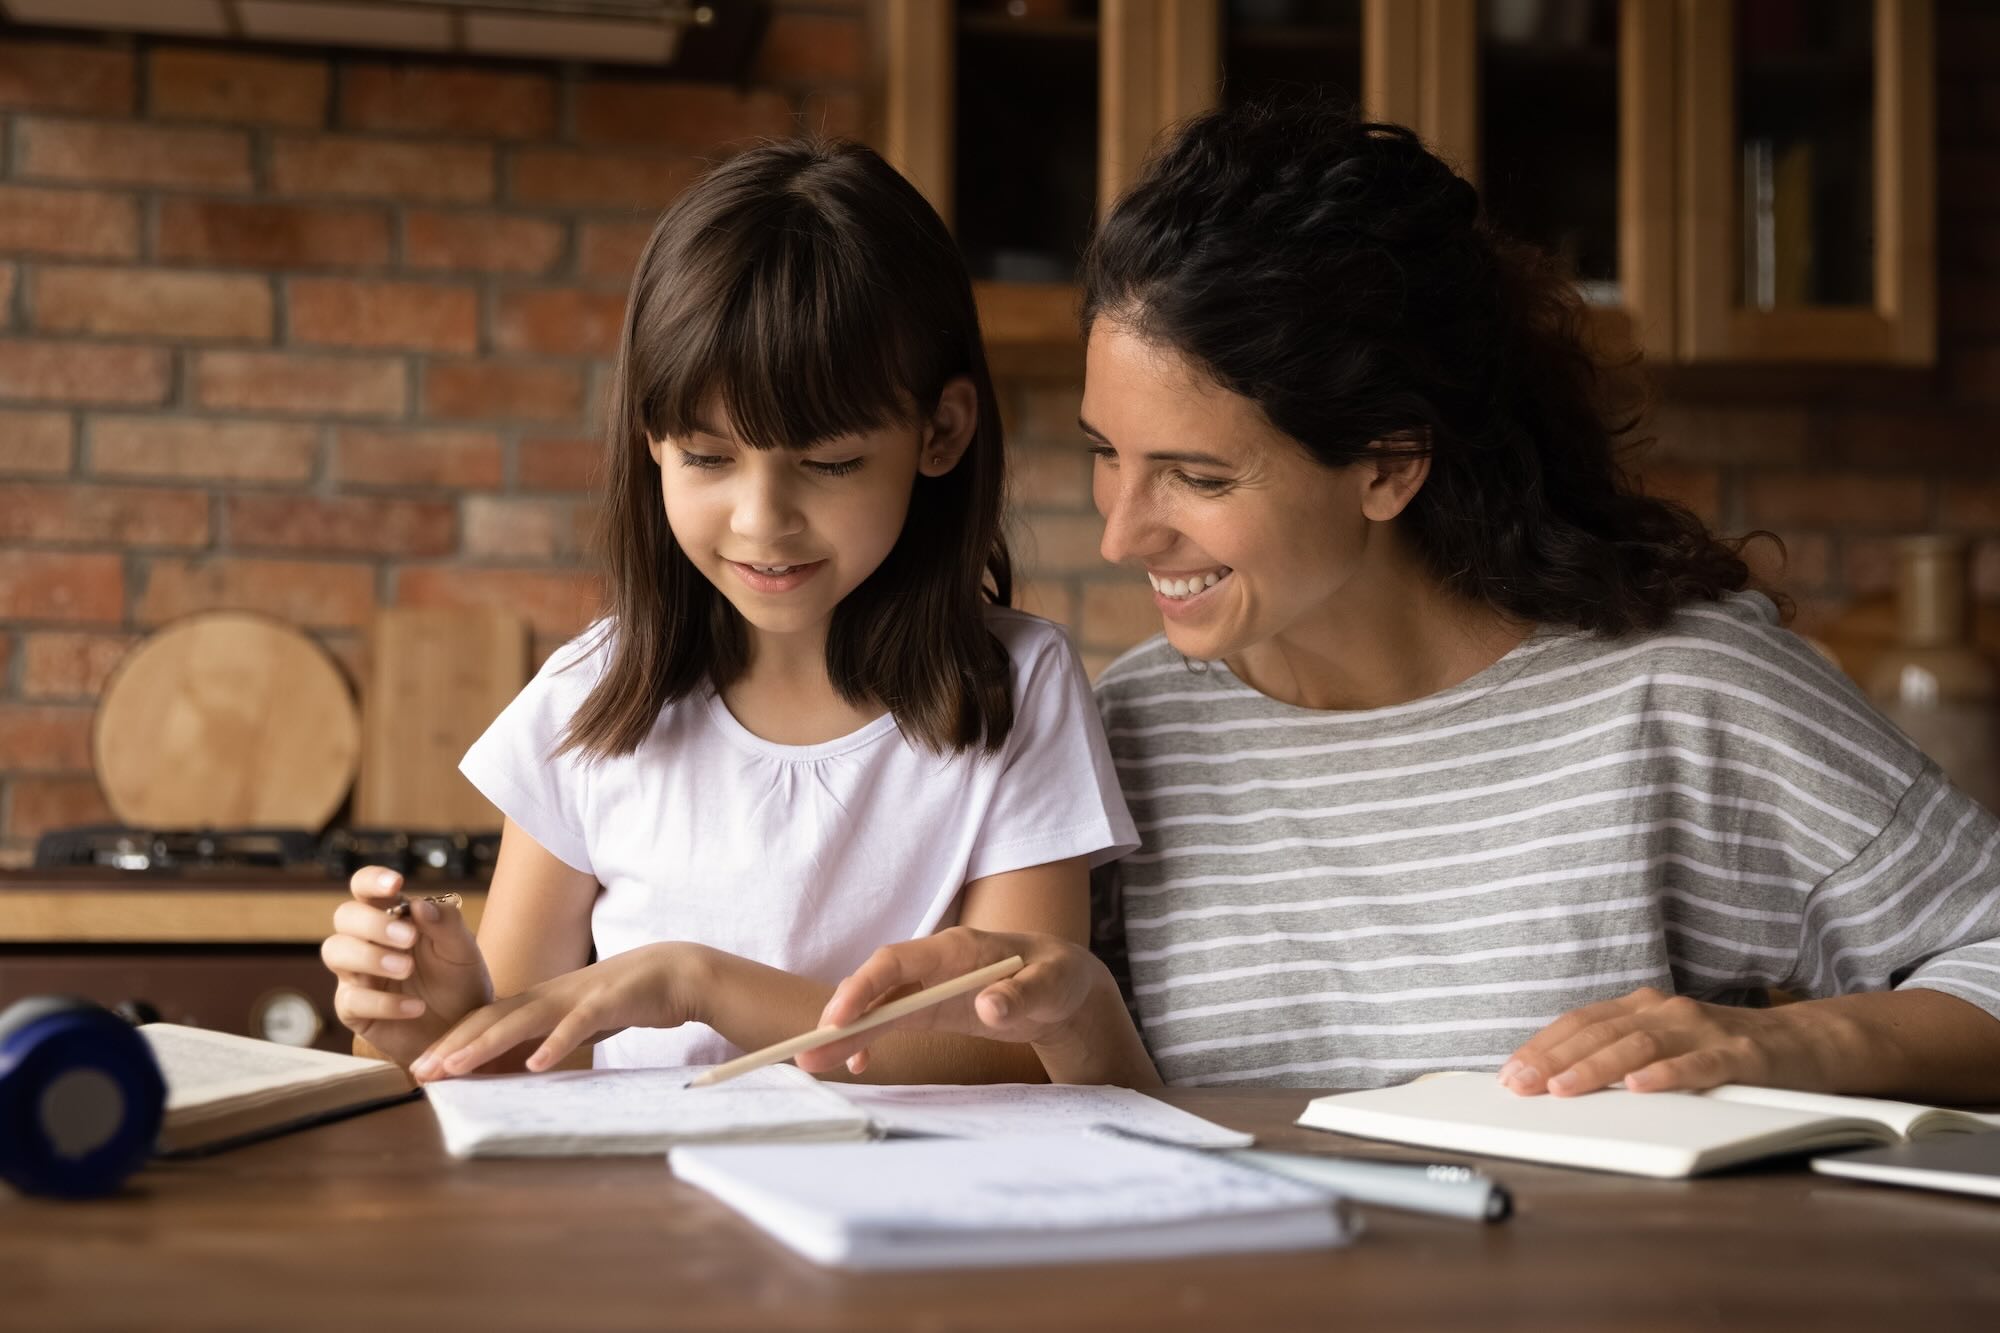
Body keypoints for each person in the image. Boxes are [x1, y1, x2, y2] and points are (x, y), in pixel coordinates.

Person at [798, 101, 2000, 1105]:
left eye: (1199, 477)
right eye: (1108, 452)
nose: (1123, 531)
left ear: (1386, 464)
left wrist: (1787, 1044)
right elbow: (1119, 1125)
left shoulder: (1676, 692)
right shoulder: (1137, 729)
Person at [318, 139, 1134, 1084]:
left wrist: (699, 981)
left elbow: (1023, 1043)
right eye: (707, 458)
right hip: (640, 1222)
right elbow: (502, 1065)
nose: (761, 522)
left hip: (908, 1217)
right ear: (652, 442)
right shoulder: (590, 700)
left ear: (939, 433)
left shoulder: (1015, 688)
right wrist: (433, 1018)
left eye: (828, 463)